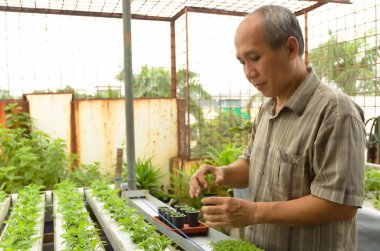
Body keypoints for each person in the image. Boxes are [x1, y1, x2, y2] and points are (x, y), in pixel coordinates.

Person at [189, 5, 365, 251]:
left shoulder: (335, 112)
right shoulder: (266, 109)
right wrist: (223, 173)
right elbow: (252, 165)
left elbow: (341, 205)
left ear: (290, 48)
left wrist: (255, 212)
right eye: (242, 62)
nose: (249, 73)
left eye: (255, 58)